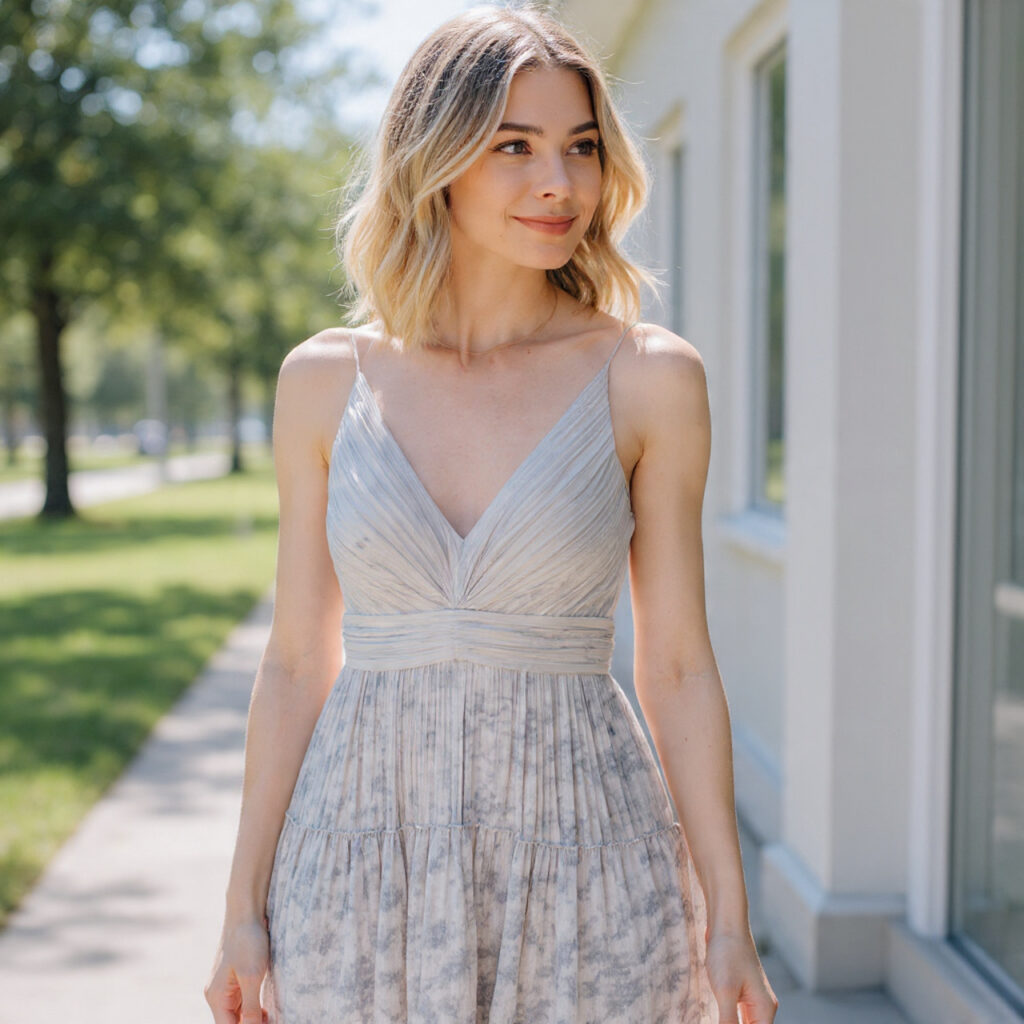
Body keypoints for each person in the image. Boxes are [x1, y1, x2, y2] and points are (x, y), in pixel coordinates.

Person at [204, 5, 779, 1023]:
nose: (557, 182)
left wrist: (728, 910)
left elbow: (678, 664)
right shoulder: (323, 382)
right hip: (359, 859)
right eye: (513, 146)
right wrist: (242, 902)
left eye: (580, 148)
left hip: (585, 852)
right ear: (436, 157)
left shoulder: (647, 377)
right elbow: (296, 658)